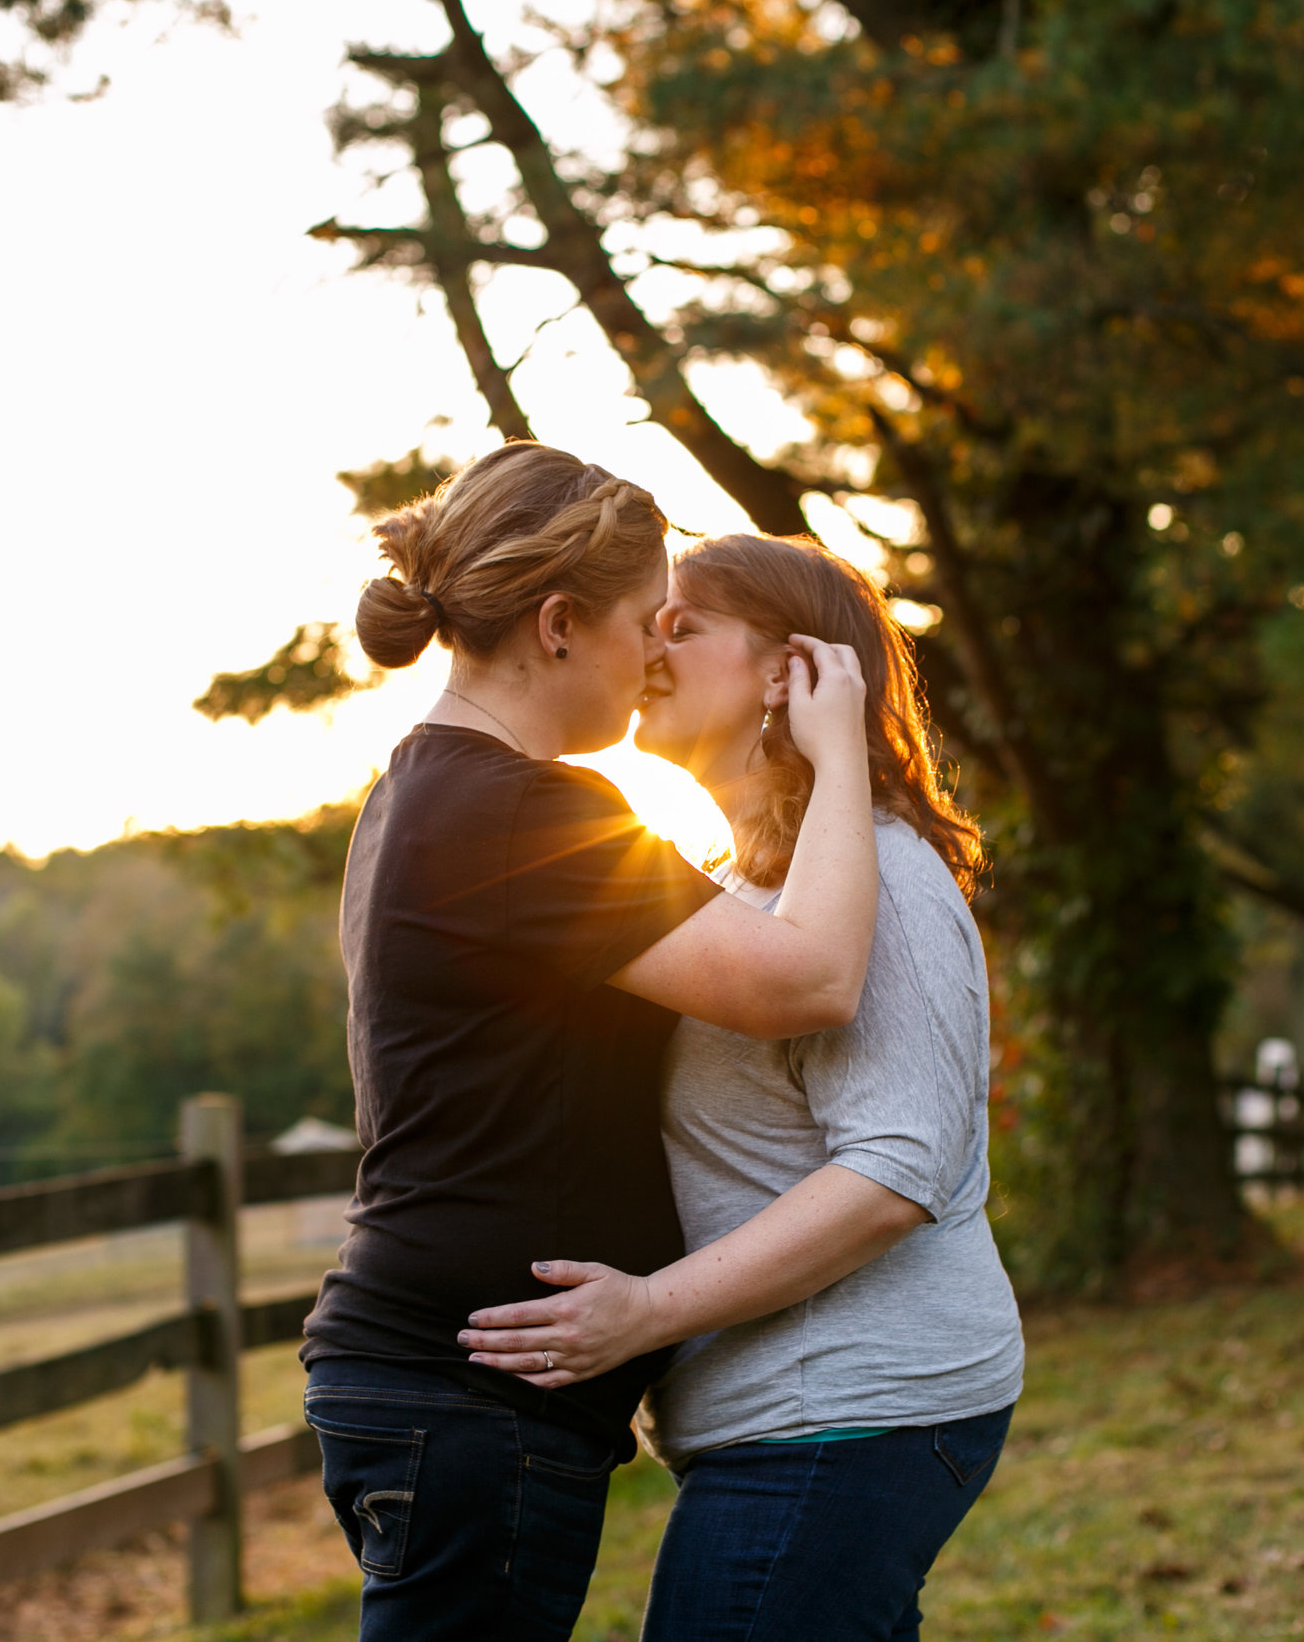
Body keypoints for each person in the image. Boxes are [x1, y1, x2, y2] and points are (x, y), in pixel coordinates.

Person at [299, 443, 885, 1641]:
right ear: (560, 624)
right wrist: (841, 759)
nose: (654, 656)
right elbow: (813, 978)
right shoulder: (519, 806)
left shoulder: (426, 787)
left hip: (445, 1388)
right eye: (642, 622)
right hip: (466, 1398)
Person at [456, 531, 1025, 1641]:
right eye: (647, 623)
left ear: (791, 671)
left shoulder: (881, 880)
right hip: (793, 1418)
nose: (649, 647)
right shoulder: (740, 891)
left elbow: (893, 1173)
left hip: (852, 1413)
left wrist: (644, 1312)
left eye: (685, 624)